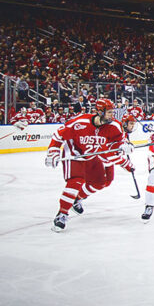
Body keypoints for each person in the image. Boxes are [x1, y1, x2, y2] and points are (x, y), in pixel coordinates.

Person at [44, 97, 135, 232]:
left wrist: (124, 146)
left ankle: (77, 199)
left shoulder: (114, 126)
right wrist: (53, 151)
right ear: (99, 112)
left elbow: (118, 142)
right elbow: (58, 135)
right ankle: (62, 214)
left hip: (92, 154)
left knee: (99, 182)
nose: (112, 115)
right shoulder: (80, 122)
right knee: (76, 181)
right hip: (75, 152)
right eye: (109, 112)